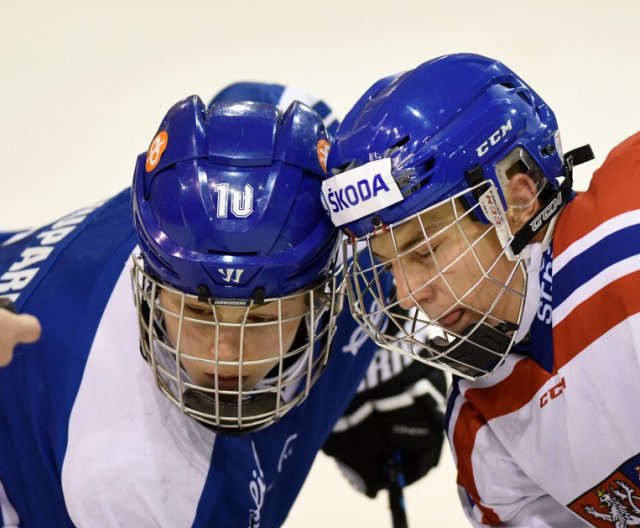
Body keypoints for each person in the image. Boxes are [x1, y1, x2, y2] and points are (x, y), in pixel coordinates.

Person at [0, 82, 445, 527]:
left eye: (262, 316)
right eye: (197, 311)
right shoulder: (142, 479)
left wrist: (377, 358)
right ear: (151, 285)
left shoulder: (348, 219)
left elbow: (256, 97)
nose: (224, 356)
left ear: (320, 296)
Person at [323, 52, 640, 526]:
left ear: (516, 200)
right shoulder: (482, 427)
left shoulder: (627, 237)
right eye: (389, 266)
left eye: (425, 251)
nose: (409, 296)